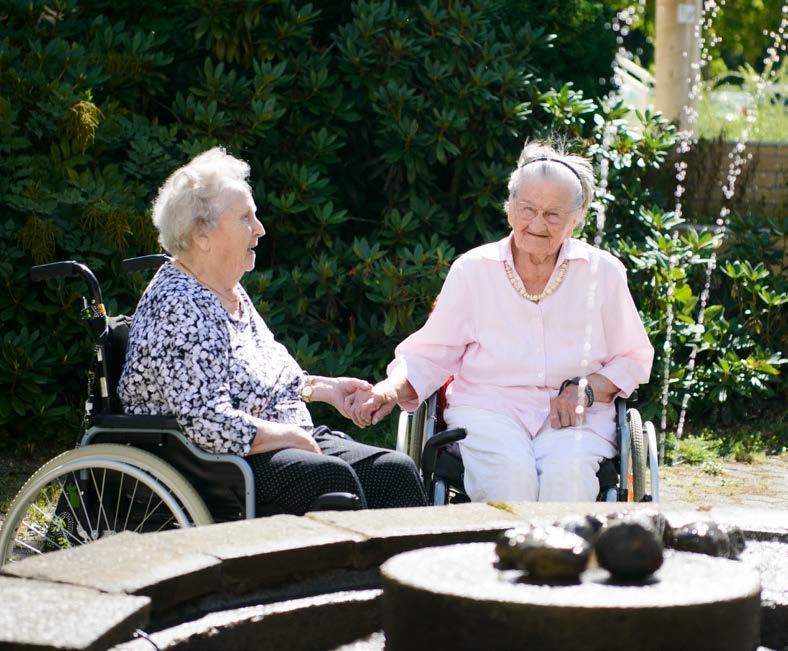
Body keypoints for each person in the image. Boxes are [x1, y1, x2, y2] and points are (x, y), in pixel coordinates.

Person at [118, 147, 427, 515]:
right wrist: (289, 436)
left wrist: (326, 389)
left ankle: (403, 571)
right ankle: (342, 574)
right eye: (246, 218)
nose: (260, 229)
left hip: (269, 444)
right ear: (202, 234)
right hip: (214, 465)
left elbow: (269, 372)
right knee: (332, 480)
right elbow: (206, 421)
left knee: (393, 472)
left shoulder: (228, 290)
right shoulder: (180, 305)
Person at [348, 141, 654, 503]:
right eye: (527, 209)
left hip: (576, 416)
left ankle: (562, 558)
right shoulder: (473, 270)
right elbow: (430, 353)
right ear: (509, 208)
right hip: (488, 409)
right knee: (509, 484)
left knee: (567, 481)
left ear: (576, 219)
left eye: (553, 215)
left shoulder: (603, 273)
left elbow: (633, 358)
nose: (537, 224)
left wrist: (586, 389)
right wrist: (388, 390)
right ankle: (505, 559)